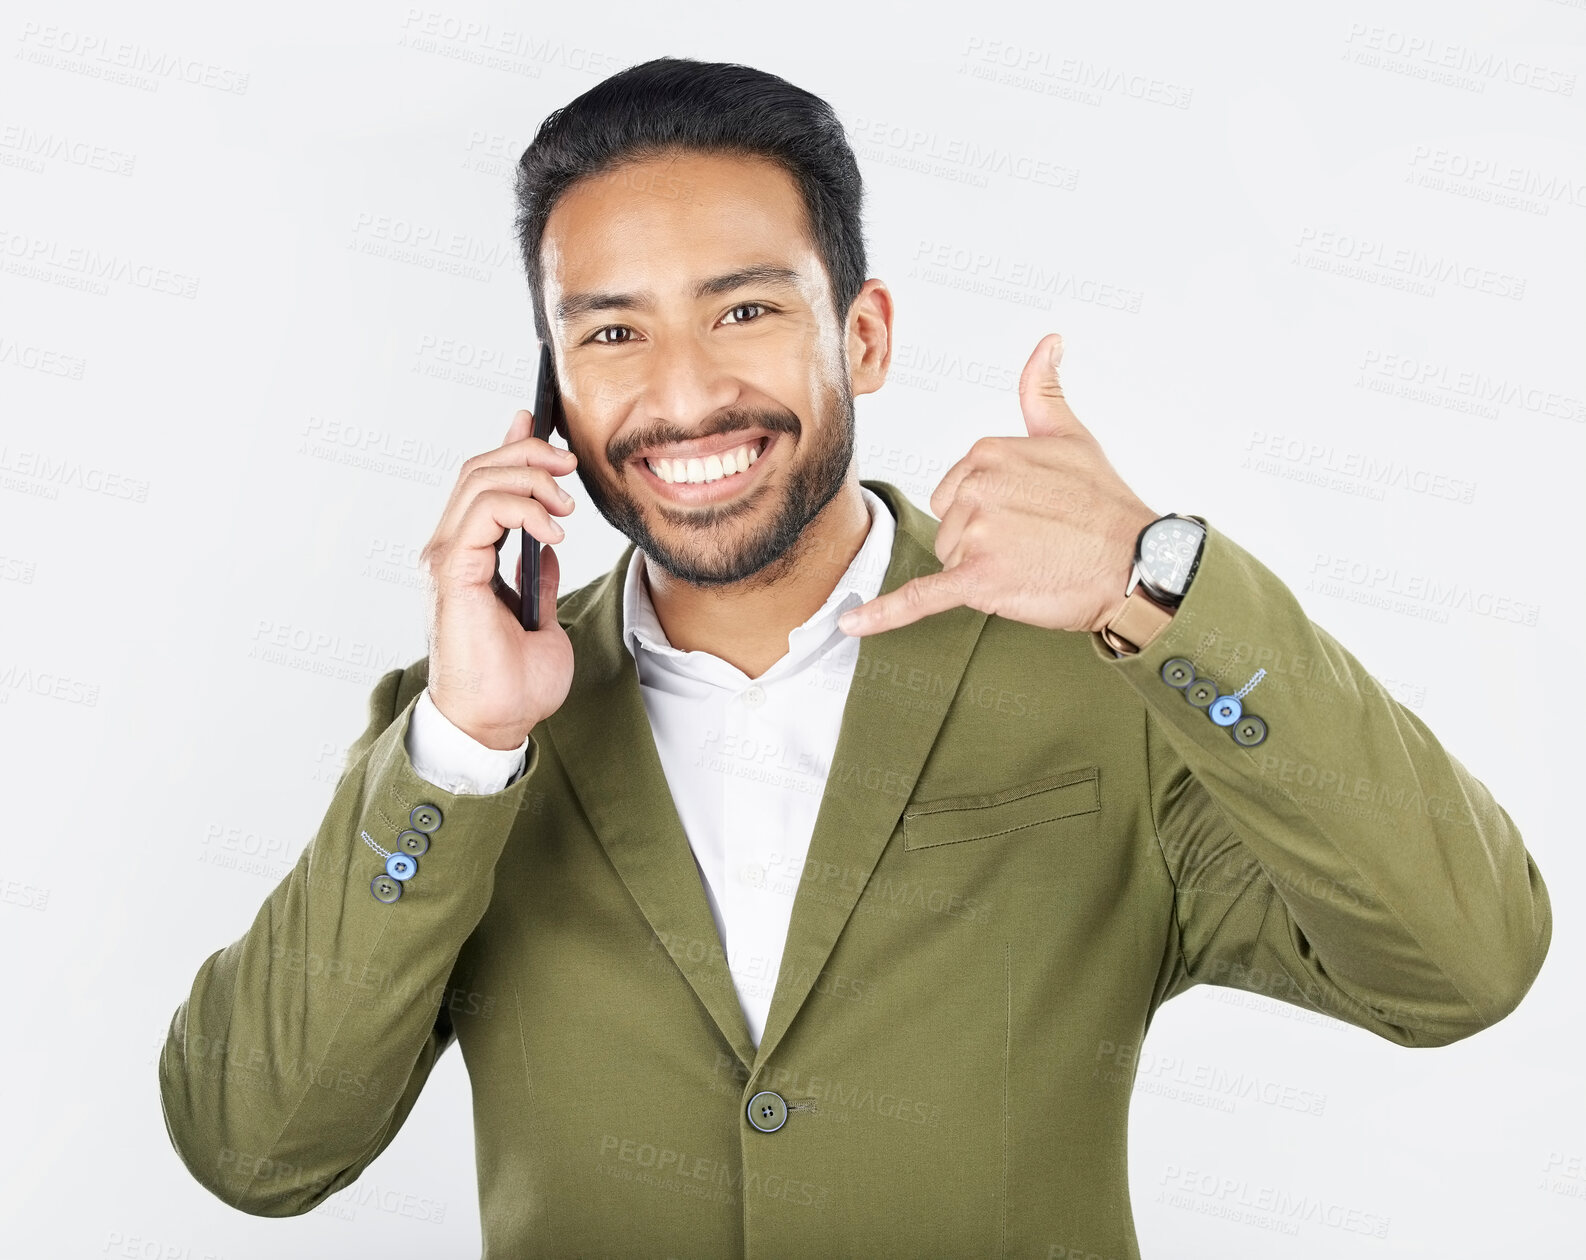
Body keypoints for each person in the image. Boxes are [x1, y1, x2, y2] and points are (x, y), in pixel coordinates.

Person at [157, 56, 1552, 1258]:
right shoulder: (465, 742)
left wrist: (1163, 589)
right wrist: (463, 752)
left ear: (863, 335)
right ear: (551, 392)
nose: (685, 391)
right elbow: (254, 1148)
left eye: (745, 309)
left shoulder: (1105, 681)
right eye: (609, 332)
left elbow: (1458, 966)